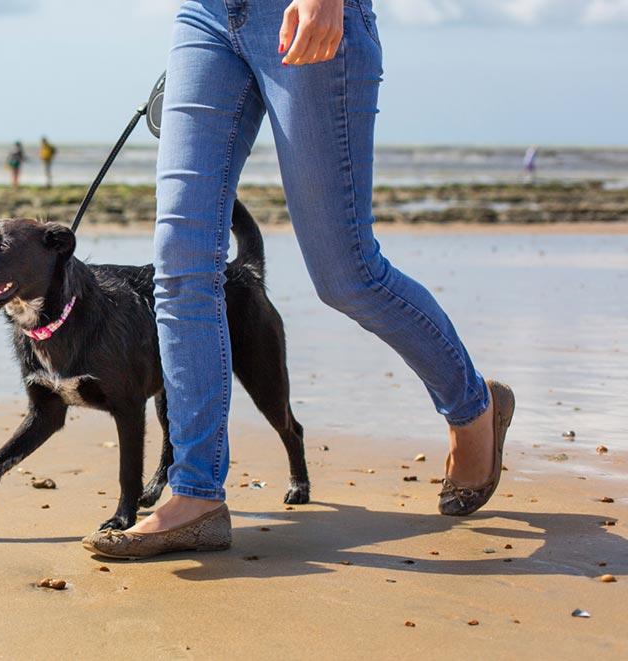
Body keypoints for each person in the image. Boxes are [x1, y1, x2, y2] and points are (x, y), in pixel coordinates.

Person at [83, 0, 515, 559]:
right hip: (205, 17)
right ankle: (194, 494)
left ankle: (472, 405)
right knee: (180, 262)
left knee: (347, 273)